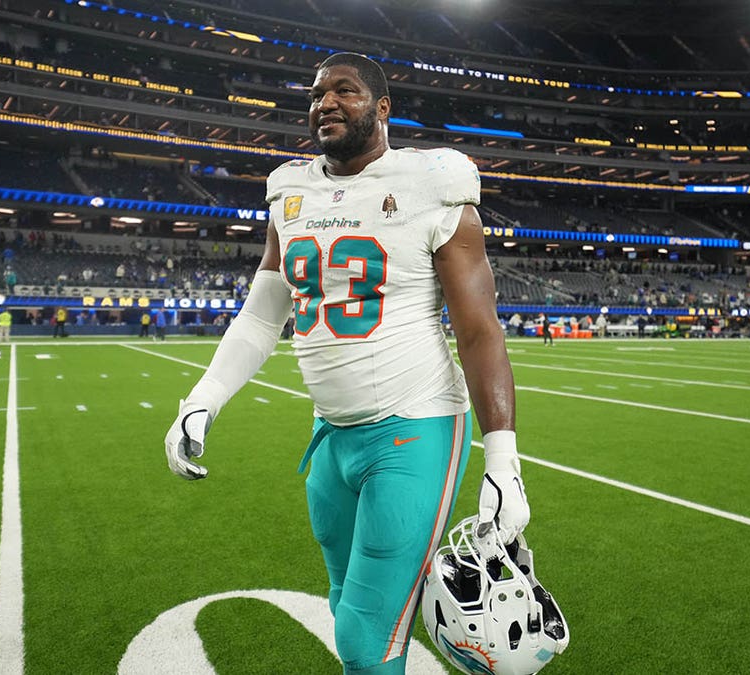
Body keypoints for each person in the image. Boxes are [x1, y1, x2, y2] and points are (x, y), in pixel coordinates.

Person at [163, 52, 530, 675]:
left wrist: (503, 459)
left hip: (413, 429)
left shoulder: (433, 184)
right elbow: (260, 317)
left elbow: (478, 330)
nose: (325, 103)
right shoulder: (290, 190)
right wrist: (201, 400)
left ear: (382, 107)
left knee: (366, 643)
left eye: (345, 91)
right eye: (315, 94)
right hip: (330, 435)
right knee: (345, 610)